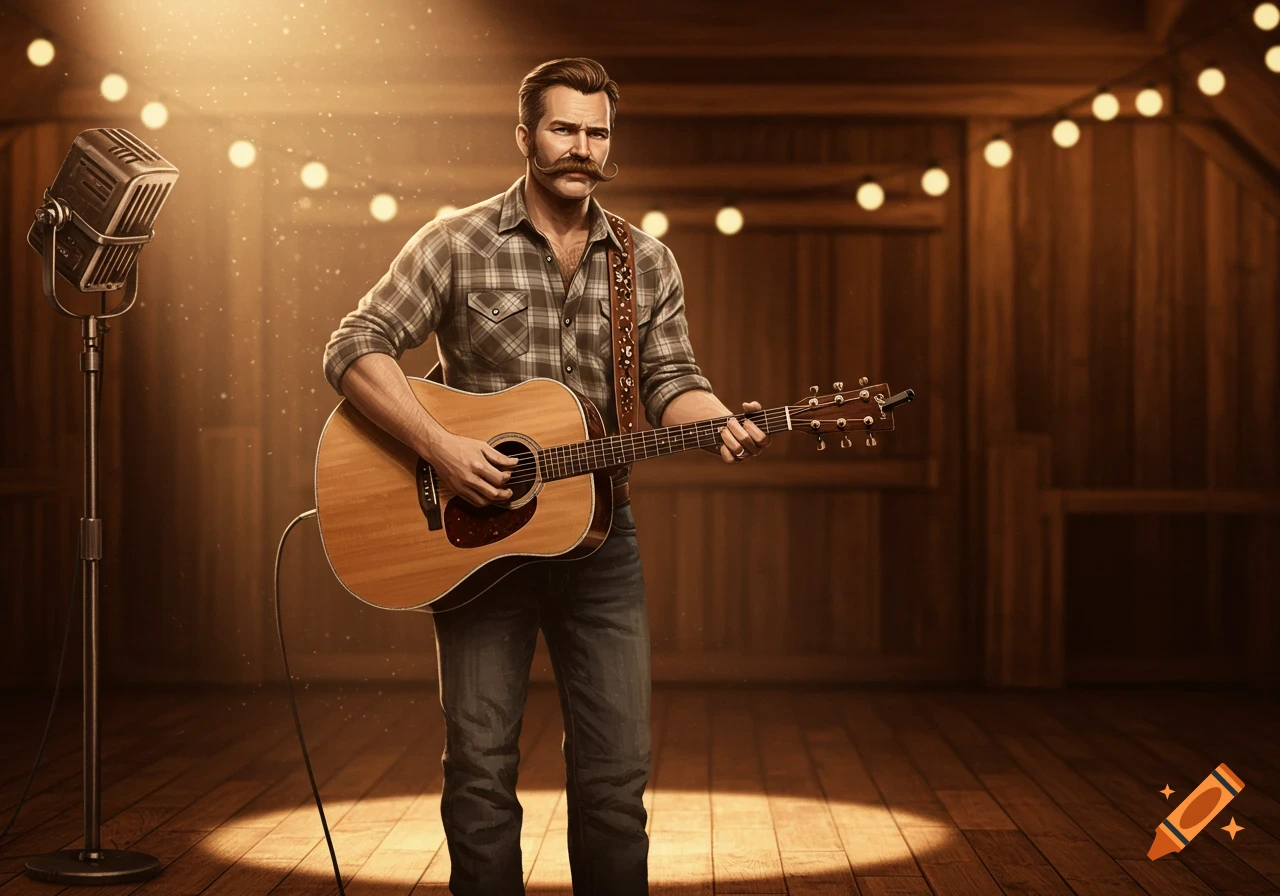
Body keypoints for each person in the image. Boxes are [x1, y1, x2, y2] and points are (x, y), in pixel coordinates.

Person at [321, 56, 771, 896]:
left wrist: (716, 421)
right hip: (476, 543)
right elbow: (353, 346)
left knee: (616, 779)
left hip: (600, 541)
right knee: (481, 771)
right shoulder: (455, 243)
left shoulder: (646, 260)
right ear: (525, 136)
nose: (581, 148)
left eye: (597, 133)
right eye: (564, 129)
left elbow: (671, 379)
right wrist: (442, 449)